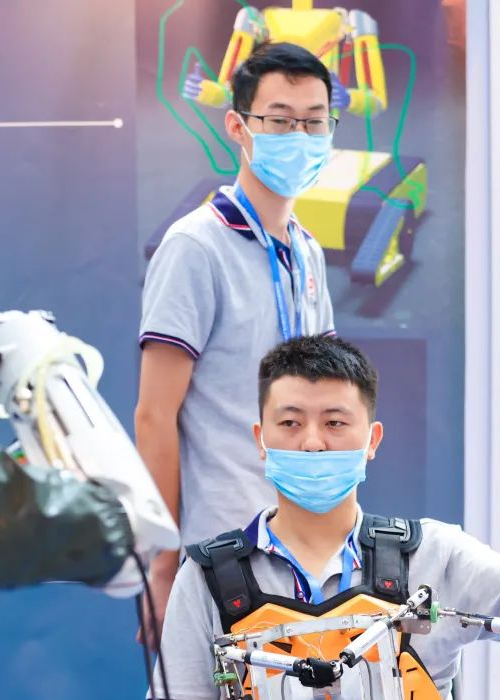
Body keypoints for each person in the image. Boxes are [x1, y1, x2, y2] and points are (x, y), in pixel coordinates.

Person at [147, 335, 500, 700]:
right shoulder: (207, 578)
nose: (312, 443)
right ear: (261, 439)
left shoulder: (435, 553)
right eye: (290, 423)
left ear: (371, 439)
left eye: (335, 423)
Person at [136, 42, 338, 638]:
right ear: (238, 126)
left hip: (306, 546)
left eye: (314, 122)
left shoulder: (307, 252)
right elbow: (154, 415)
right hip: (221, 551)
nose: (298, 136)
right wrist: (163, 566)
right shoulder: (195, 247)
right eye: (279, 120)